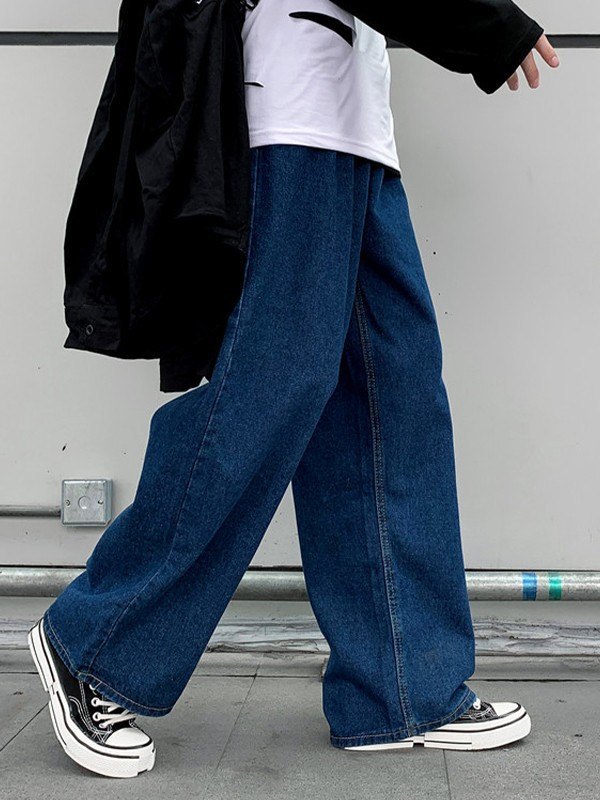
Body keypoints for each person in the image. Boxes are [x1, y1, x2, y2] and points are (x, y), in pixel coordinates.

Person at [27, 0, 559, 778]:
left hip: (352, 129)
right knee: (269, 388)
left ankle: (399, 690)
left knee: (392, 398)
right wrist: (487, 26)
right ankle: (94, 648)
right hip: (288, 117)